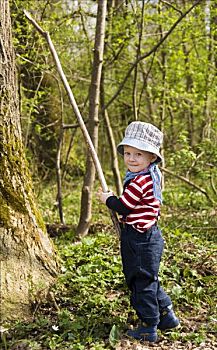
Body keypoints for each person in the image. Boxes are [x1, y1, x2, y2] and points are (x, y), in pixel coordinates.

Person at [97, 121, 179, 343]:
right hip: (149, 235)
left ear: (151, 157)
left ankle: (148, 326)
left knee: (140, 281)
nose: (131, 159)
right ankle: (166, 315)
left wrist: (108, 200)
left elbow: (124, 205)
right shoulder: (150, 176)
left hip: (140, 238)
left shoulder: (140, 181)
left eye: (138, 155)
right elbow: (138, 207)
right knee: (149, 278)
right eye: (128, 153)